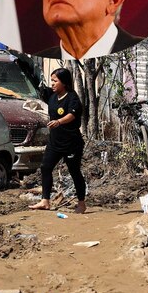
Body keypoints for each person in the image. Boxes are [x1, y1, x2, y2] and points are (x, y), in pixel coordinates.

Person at [29, 68, 87, 213]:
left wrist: (59, 122)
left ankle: (81, 203)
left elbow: (71, 115)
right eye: (52, 80)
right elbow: (37, 84)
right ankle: (45, 201)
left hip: (71, 143)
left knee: (74, 171)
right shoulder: (52, 96)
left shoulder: (73, 98)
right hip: (55, 142)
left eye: (55, 81)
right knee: (45, 167)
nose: (52, 84)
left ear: (64, 82)